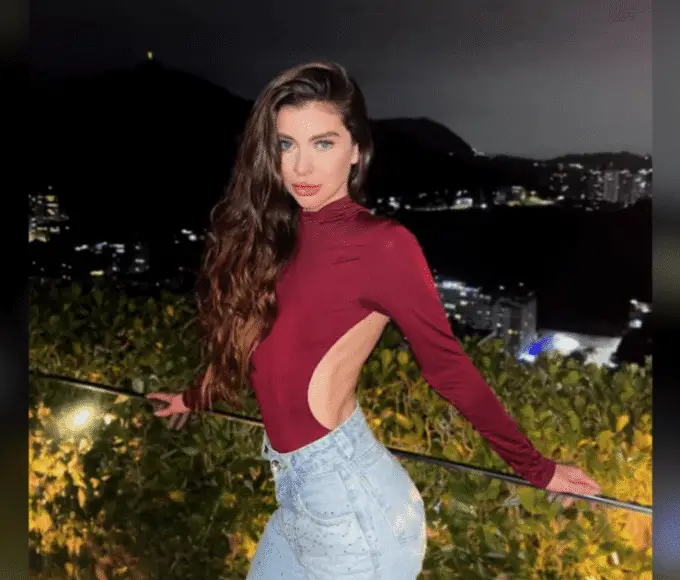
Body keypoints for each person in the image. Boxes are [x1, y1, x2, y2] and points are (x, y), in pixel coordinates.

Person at [146, 61, 601, 580]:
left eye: (322, 143)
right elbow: (261, 353)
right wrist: (192, 397)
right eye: (286, 145)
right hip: (297, 496)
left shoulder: (382, 245)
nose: (301, 166)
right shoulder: (277, 239)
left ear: (355, 150)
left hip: (354, 511)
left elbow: (448, 368)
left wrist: (538, 470)